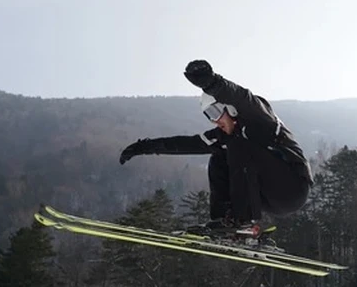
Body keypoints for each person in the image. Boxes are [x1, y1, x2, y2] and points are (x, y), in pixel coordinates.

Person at [118, 60, 313, 236]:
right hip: (270, 199)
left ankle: (242, 221)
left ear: (230, 108)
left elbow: (240, 95)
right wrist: (142, 147)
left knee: (236, 146)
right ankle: (224, 221)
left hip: (293, 187)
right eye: (209, 115)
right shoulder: (225, 136)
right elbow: (184, 144)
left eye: (215, 112)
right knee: (219, 156)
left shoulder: (257, 116)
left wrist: (211, 83)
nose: (215, 121)